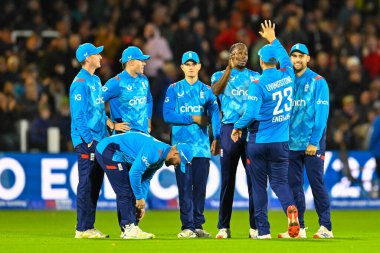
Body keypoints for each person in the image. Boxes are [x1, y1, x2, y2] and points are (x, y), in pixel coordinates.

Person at [231, 20, 299, 239]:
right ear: (276, 62)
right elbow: (287, 60)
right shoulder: (288, 76)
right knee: (280, 182)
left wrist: (237, 127)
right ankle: (291, 208)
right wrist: (273, 39)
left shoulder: (257, 84)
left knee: (259, 186)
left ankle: (264, 231)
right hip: (281, 141)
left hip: (259, 141)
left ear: (260, 61)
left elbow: (250, 114)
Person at [70, 43, 128, 239]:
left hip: (100, 138)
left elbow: (97, 111)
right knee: (86, 182)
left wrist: (111, 125)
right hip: (88, 140)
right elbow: (78, 116)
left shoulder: (94, 80)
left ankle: (89, 226)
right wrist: (87, 140)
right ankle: (81, 228)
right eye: (97, 54)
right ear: (88, 58)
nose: (101, 57)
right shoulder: (79, 83)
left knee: (95, 183)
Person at [277, 43, 333, 239]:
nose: (297, 60)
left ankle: (326, 227)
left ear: (308, 58)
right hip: (290, 144)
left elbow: (321, 115)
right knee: (294, 186)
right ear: (290, 59)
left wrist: (314, 141)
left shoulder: (318, 81)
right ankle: (299, 228)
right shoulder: (286, 81)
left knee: (317, 184)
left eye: (301, 56)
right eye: (294, 57)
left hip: (312, 143)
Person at [163, 51, 221, 238]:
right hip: (181, 150)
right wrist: (193, 118)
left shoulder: (207, 91)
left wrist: (217, 136)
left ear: (199, 67)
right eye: (186, 64)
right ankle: (187, 226)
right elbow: (167, 115)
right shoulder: (173, 89)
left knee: (200, 189)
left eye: (193, 64)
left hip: (202, 149)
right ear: (182, 67)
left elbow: (214, 114)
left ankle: (197, 225)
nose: (190, 67)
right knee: (185, 189)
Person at [95, 131, 194, 239]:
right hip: (108, 150)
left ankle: (128, 228)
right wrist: (139, 197)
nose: (176, 165)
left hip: (117, 153)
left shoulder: (159, 159)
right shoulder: (155, 151)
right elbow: (134, 173)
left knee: (129, 190)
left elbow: (146, 179)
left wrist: (142, 202)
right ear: (176, 153)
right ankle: (129, 229)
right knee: (125, 190)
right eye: (179, 162)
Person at [211, 42, 260, 239]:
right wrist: (228, 70)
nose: (243, 56)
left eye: (246, 53)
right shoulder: (218, 76)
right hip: (229, 128)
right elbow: (215, 91)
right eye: (239, 53)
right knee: (227, 180)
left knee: (254, 180)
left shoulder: (256, 77)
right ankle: (224, 227)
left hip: (250, 129)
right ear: (231, 56)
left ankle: (255, 227)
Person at [103, 46, 152, 134]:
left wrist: (148, 119)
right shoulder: (115, 83)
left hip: (143, 134)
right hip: (124, 137)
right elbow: (93, 103)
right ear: (131, 63)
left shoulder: (144, 79)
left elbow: (149, 100)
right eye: (141, 60)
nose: (144, 63)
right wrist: (111, 124)